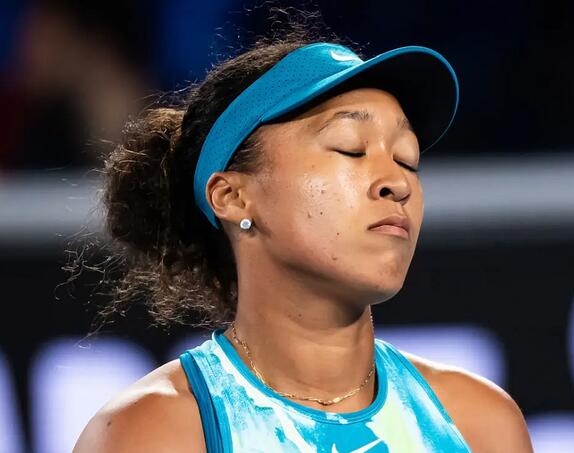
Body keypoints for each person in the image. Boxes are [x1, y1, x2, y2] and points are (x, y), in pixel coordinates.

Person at [72, 24, 534, 453]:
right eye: (351, 148)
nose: (398, 183)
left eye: (407, 159)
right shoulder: (152, 433)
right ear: (233, 197)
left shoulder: (480, 424)